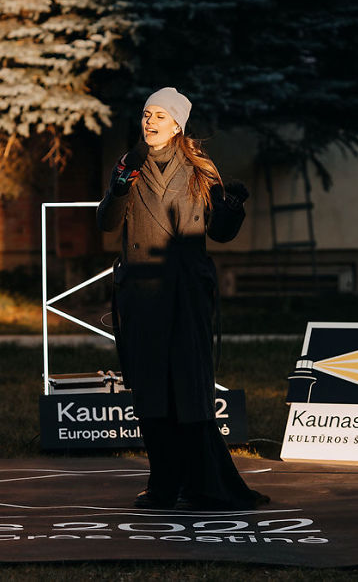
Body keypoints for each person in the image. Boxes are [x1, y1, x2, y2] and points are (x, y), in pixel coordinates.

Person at [97, 87, 268, 510]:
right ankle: (163, 484)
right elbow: (106, 222)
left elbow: (220, 232)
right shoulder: (129, 165)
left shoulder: (198, 168)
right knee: (152, 392)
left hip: (187, 296)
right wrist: (119, 186)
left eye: (159, 115)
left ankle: (204, 482)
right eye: (145, 114)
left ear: (177, 124)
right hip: (142, 295)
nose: (149, 121)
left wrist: (232, 205)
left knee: (189, 390)